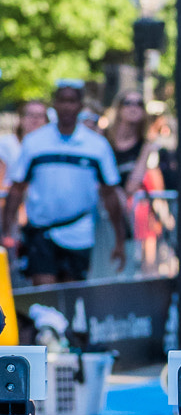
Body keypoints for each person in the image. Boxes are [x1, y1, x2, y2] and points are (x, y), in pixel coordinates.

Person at [1, 81, 128, 285]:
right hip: (42, 232)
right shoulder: (35, 143)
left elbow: (110, 194)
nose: (67, 107)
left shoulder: (96, 146)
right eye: (62, 101)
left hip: (79, 232)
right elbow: (16, 189)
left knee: (72, 295)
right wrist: (8, 230)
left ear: (79, 105)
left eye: (72, 101)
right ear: (55, 104)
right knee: (45, 295)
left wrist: (119, 239)